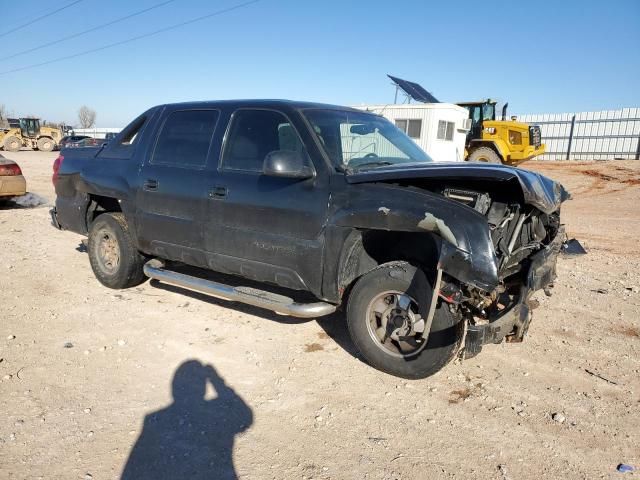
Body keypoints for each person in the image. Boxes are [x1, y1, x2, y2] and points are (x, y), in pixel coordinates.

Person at [121, 360, 253, 479]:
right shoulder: (215, 411)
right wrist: (216, 380)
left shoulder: (154, 420)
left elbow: (134, 465)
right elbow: (245, 417)